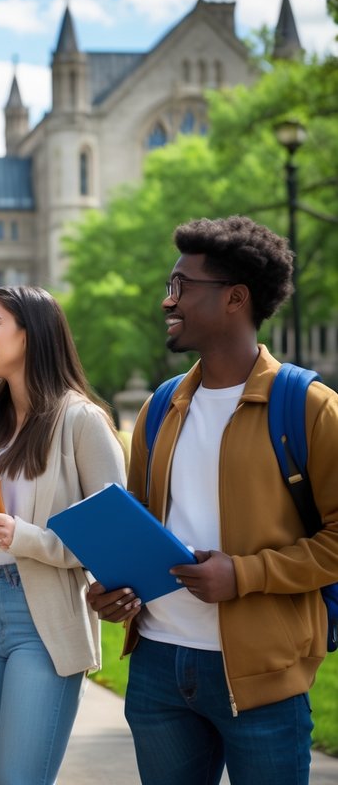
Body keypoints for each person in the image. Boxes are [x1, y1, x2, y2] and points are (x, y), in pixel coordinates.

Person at [88, 216, 338, 785]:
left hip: (262, 676)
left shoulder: (309, 408)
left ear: (235, 298)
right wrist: (117, 588)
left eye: (180, 287)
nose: (165, 300)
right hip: (156, 666)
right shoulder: (160, 406)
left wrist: (244, 574)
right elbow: (142, 522)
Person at [0, 285, 126, 785]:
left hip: (44, 624)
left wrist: (23, 537)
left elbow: (114, 540)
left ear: (32, 332)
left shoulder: (81, 421)